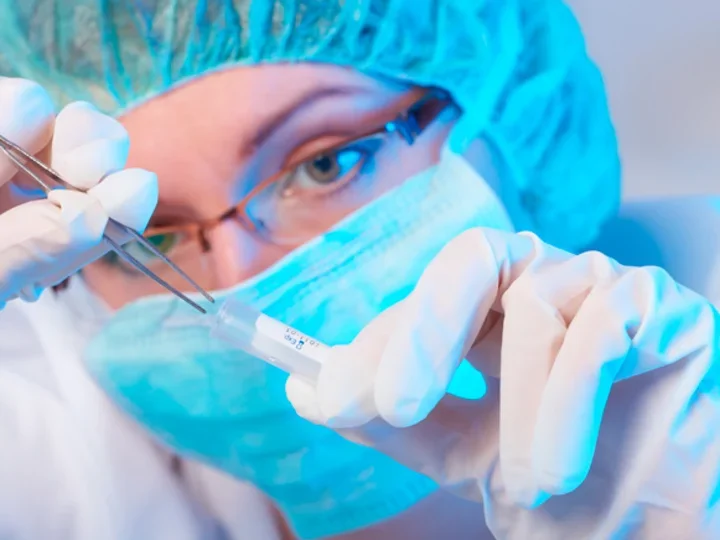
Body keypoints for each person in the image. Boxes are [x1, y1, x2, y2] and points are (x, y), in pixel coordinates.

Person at [2, 0, 718, 538]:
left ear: (505, 111)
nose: (235, 278)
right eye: (151, 238)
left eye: (324, 164)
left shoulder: (692, 403)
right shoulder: (57, 473)